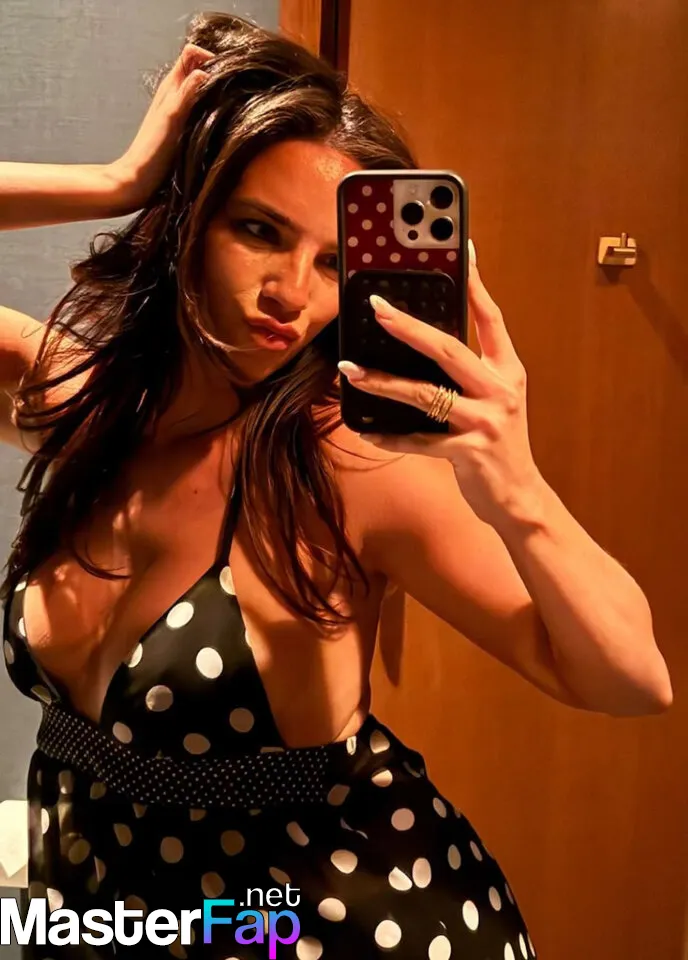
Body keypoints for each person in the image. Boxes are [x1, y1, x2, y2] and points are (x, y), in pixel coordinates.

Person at [0, 12, 672, 960]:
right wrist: (114, 181)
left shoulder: (350, 467)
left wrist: (516, 485)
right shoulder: (77, 401)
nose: (291, 292)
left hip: (333, 923)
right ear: (186, 216)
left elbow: (629, 680)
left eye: (333, 263)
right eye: (258, 230)